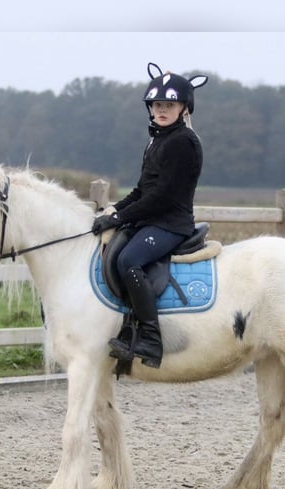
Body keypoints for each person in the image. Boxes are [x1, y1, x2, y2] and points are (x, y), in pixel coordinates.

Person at [91, 62, 208, 368]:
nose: (162, 110)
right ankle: (125, 325)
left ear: (184, 107)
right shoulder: (156, 141)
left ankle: (151, 339)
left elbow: (162, 197)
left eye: (169, 105)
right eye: (157, 104)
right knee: (114, 251)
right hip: (151, 219)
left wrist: (119, 219)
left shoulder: (183, 142)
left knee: (129, 260)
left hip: (171, 223)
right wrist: (114, 210)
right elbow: (142, 190)